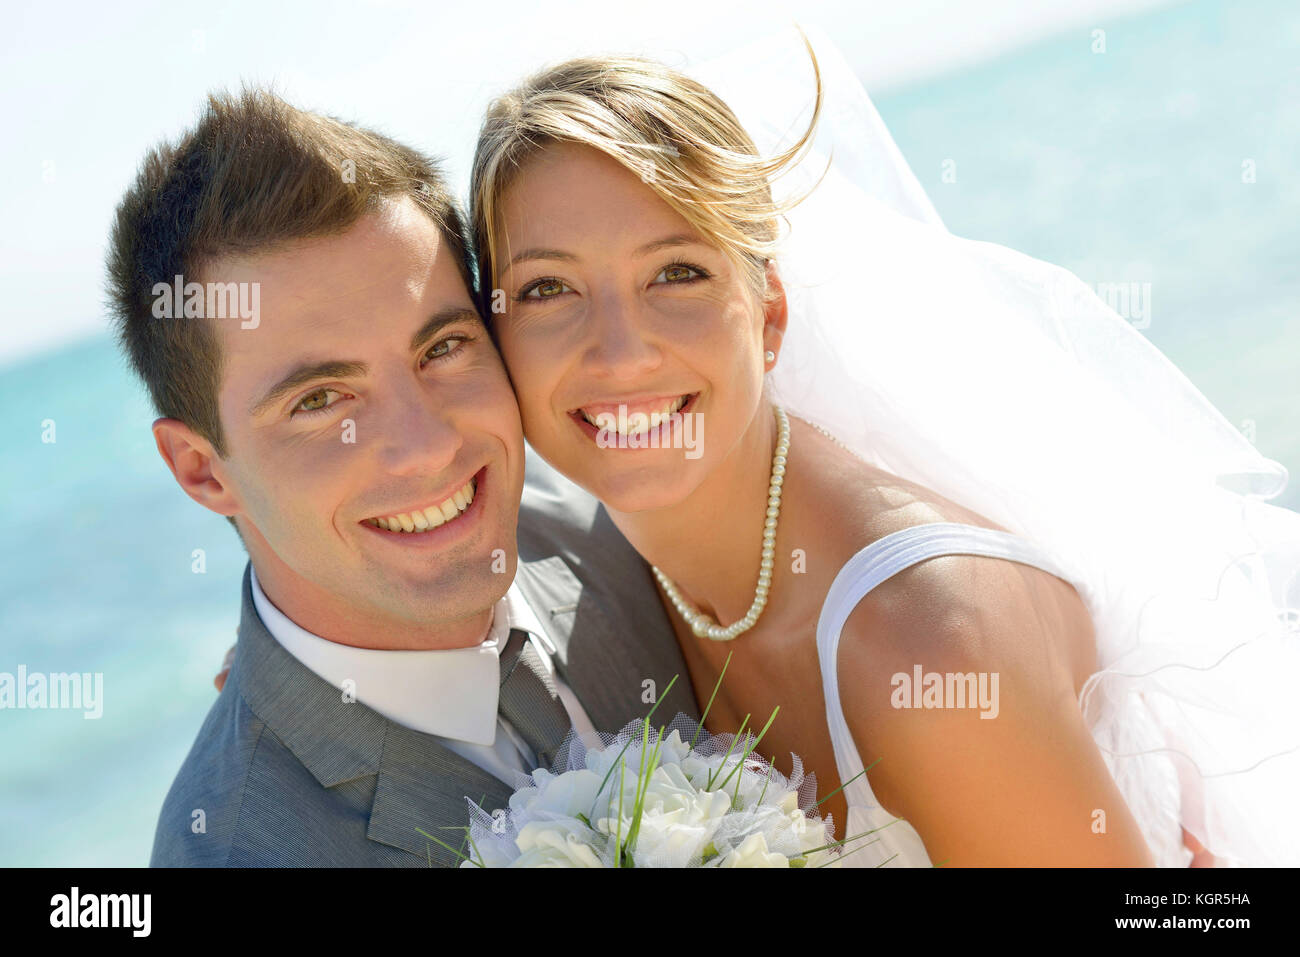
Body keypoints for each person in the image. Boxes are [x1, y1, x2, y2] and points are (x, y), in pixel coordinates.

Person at [466, 32, 1300, 866]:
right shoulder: (601, 570)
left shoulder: (929, 642)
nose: (620, 352)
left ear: (769, 317)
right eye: (548, 288)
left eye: (676, 272)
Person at [109, 88, 697, 866]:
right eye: (319, 400)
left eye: (443, 349)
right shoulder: (240, 847)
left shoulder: (634, 535)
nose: (424, 447)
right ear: (203, 471)